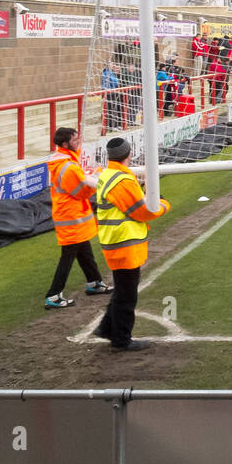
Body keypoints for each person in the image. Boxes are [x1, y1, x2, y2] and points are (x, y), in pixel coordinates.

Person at [93, 137, 171, 352]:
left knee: (123, 289)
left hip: (117, 240)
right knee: (127, 293)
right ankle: (121, 340)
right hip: (123, 243)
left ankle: (107, 328)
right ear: (129, 154)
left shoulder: (110, 174)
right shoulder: (122, 181)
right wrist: (163, 204)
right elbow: (142, 211)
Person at [44, 128, 112, 308]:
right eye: (75, 140)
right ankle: (53, 295)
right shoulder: (67, 166)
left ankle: (94, 282)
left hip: (72, 216)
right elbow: (80, 192)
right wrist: (95, 178)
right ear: (65, 144)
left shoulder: (65, 160)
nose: (79, 142)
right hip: (71, 217)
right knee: (68, 257)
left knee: (84, 251)